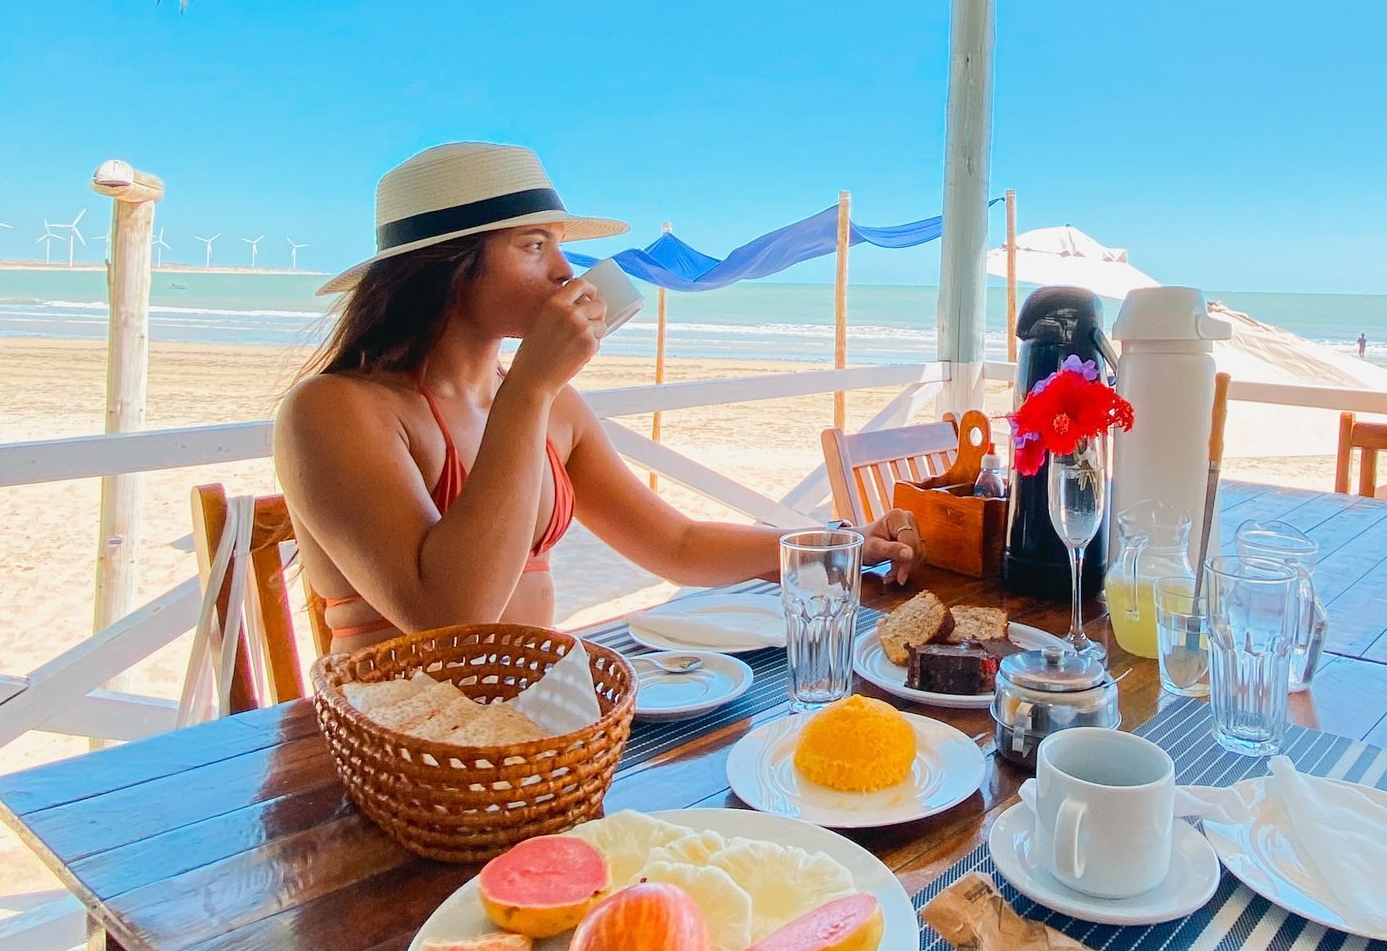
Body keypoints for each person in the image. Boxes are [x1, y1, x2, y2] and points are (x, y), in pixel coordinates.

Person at [277, 142, 920, 644]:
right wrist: (529, 386)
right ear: (446, 269)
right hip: (399, 745)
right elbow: (449, 618)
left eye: (561, 245)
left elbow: (677, 545)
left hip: (536, 724)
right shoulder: (334, 409)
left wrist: (839, 544)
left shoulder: (552, 406)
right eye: (534, 246)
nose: (565, 270)